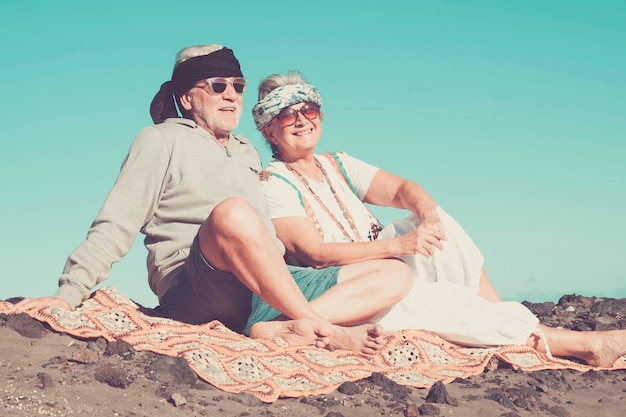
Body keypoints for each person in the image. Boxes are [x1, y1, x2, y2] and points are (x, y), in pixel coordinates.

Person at [10, 45, 415, 354]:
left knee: (393, 273)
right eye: (217, 86)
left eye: (237, 87)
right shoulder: (160, 140)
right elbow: (116, 222)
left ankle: (276, 326)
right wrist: (67, 294)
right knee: (232, 214)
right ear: (187, 98)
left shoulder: (246, 152)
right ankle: (322, 329)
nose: (231, 95)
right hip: (196, 286)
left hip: (261, 286)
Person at [247, 70, 626, 367]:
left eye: (307, 110)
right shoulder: (273, 182)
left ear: (320, 114)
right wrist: (398, 246)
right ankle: (582, 345)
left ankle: (501, 316)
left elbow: (403, 190)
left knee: (434, 220)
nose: (300, 120)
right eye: (285, 114)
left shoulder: (338, 164)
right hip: (345, 289)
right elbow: (316, 254)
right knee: (441, 299)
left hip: (381, 266)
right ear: (268, 128)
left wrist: (427, 218)